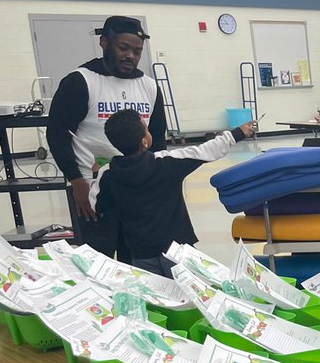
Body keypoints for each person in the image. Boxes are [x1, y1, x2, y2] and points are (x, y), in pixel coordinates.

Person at [46, 16, 166, 256]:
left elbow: (158, 139)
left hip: (136, 188)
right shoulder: (80, 81)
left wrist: (155, 185)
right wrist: (76, 181)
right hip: (91, 190)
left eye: (137, 51)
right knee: (96, 260)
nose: (131, 55)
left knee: (136, 261)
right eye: (124, 47)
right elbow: (57, 133)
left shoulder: (149, 86)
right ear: (104, 43)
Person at [98, 109, 257, 274]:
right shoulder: (165, 163)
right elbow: (204, 151)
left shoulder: (108, 173)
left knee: (156, 296)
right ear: (144, 141)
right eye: (146, 128)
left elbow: (99, 205)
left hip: (140, 254)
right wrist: (237, 133)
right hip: (178, 251)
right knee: (191, 292)